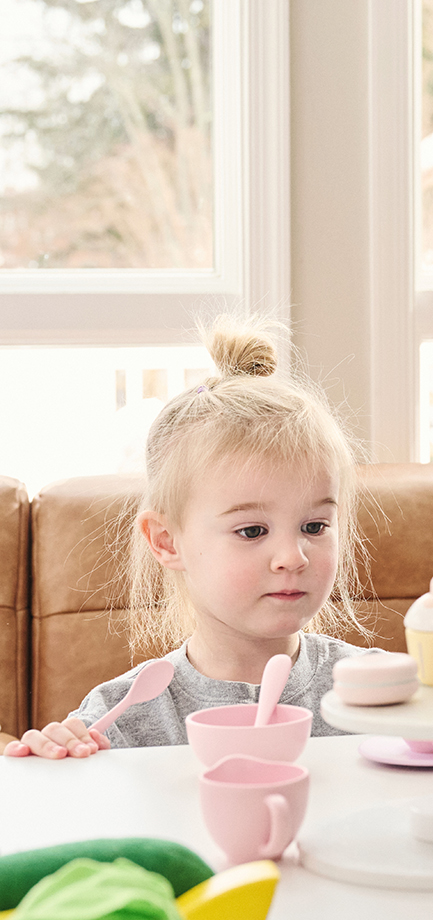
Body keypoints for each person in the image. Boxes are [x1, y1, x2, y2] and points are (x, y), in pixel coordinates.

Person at [4, 317, 379, 757]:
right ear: (166, 541)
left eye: (314, 527)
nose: (292, 557)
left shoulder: (375, 692)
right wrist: (53, 766)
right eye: (252, 531)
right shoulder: (120, 719)